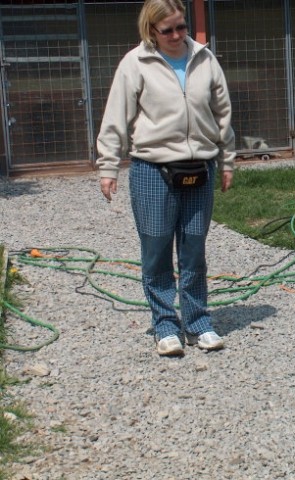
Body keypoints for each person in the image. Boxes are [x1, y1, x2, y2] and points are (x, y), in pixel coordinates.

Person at [96, 0, 236, 357]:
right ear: (151, 31)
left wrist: (228, 160)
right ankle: (164, 324)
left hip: (199, 167)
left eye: (181, 27)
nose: (176, 35)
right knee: (156, 249)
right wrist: (108, 166)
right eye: (167, 30)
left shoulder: (205, 59)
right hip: (152, 169)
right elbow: (116, 117)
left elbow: (223, 113)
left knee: (193, 250)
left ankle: (198, 322)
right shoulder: (136, 63)